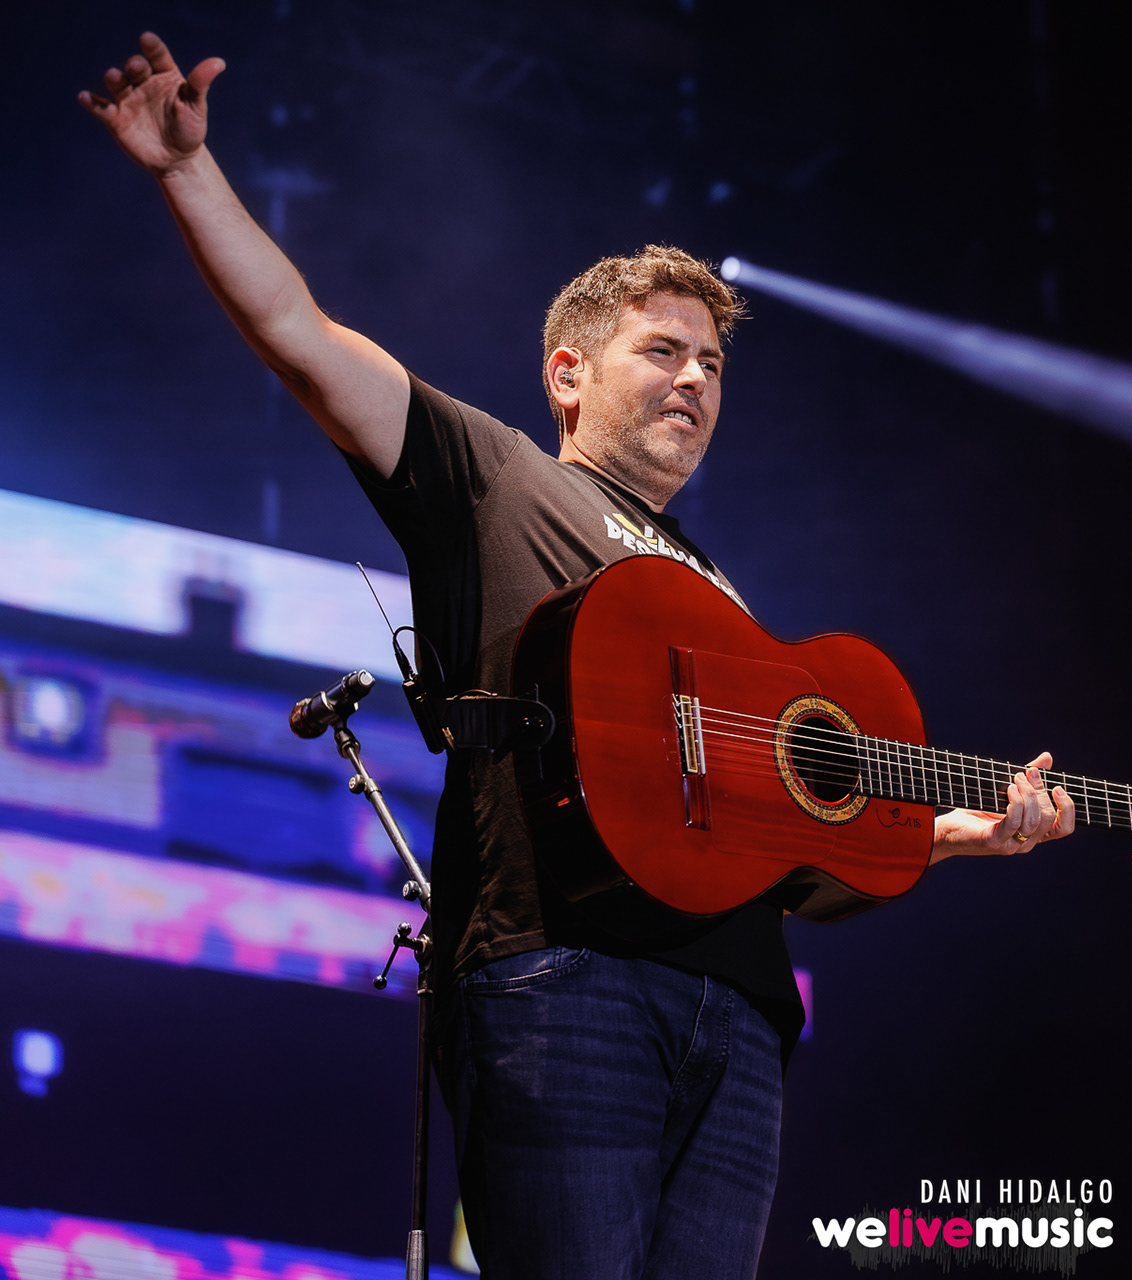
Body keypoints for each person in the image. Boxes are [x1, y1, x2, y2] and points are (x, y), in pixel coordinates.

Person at [82, 33, 1078, 1279]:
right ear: (568, 372)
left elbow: (790, 842)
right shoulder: (497, 477)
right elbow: (300, 333)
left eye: (712, 363)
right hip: (565, 977)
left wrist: (954, 834)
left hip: (740, 1018)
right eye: (663, 350)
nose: (696, 378)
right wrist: (188, 171)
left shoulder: (722, 592)